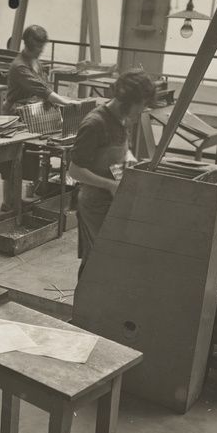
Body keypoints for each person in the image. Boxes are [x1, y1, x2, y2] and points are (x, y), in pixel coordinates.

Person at [68, 70, 156, 278]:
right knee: (100, 256)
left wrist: (131, 162)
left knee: (108, 255)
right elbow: (74, 170)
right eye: (141, 104)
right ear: (128, 101)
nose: (143, 109)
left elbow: (120, 151)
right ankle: (85, 304)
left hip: (113, 198)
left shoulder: (122, 119)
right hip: (94, 202)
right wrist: (110, 185)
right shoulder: (95, 124)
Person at [0, 24, 76, 211]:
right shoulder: (19, 66)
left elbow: (44, 87)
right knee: (11, 161)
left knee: (24, 159)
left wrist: (56, 103)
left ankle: (16, 200)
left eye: (42, 47)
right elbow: (43, 90)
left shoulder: (35, 62)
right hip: (14, 116)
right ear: (29, 45)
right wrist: (66, 103)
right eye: (38, 47)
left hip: (31, 115)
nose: (41, 51)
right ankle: (8, 203)